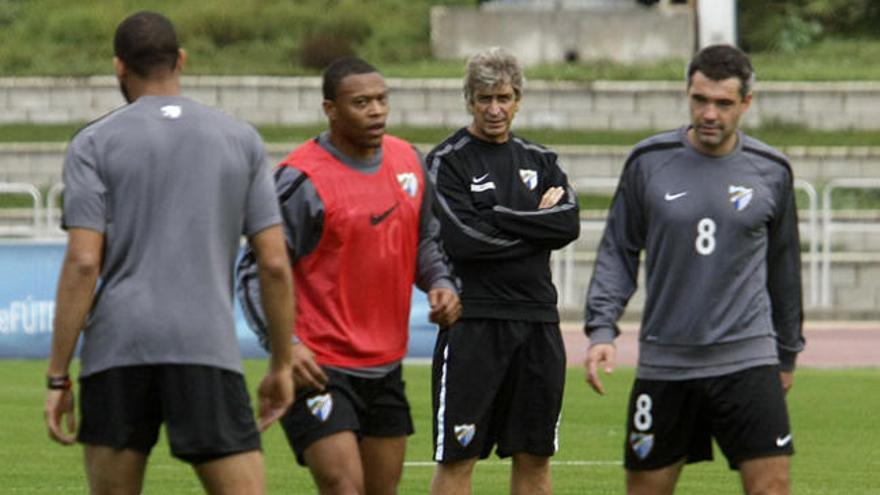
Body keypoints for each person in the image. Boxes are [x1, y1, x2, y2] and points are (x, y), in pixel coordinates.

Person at [43, 11, 295, 495]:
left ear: (119, 67)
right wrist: (281, 364)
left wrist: (58, 378)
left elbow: (83, 262)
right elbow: (275, 264)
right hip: (206, 346)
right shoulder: (241, 140)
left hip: (118, 348)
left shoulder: (92, 143)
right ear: (181, 59)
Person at [584, 44, 805, 495]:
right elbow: (617, 251)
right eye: (699, 99)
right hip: (667, 363)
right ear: (688, 95)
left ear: (745, 103)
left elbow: (784, 269)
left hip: (748, 360)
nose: (709, 113)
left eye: (723, 103)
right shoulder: (649, 162)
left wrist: (787, 352)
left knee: (772, 487)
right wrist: (601, 330)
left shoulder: (771, 171)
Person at [236, 56, 461, 495]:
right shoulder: (303, 180)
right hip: (318, 366)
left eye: (381, 100)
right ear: (331, 109)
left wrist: (442, 283)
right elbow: (254, 270)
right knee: (343, 486)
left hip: (385, 367)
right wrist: (286, 347)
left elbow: (424, 243)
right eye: (361, 102)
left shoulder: (410, 163)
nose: (376, 111)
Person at [427, 47, 581, 495]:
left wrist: (495, 212)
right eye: (484, 99)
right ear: (469, 100)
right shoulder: (448, 161)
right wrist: (536, 224)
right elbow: (463, 240)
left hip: (537, 322)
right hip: (473, 321)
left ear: (518, 100)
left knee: (535, 456)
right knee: (459, 454)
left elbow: (568, 223)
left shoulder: (541, 160)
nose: (495, 109)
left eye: (504, 98)